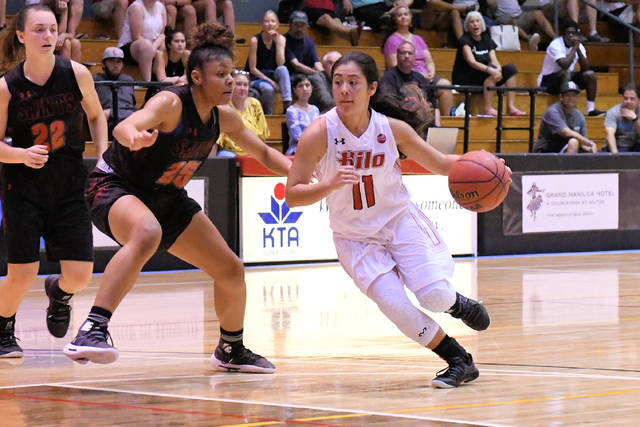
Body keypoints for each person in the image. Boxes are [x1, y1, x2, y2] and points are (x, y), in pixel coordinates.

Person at [62, 22, 291, 372]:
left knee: (230, 269)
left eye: (232, 74)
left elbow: (263, 153)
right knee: (147, 233)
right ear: (197, 77)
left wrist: (302, 172)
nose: (230, 81)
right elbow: (125, 125)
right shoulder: (171, 103)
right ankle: (92, 329)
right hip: (116, 185)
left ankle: (231, 349)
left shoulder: (224, 117)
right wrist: (133, 136)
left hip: (167, 197)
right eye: (221, 75)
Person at [285, 51, 492, 388]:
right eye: (338, 82)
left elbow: (441, 164)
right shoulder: (319, 133)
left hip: (399, 222)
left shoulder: (392, 129)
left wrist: (488, 162)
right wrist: (328, 184)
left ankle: (458, 304)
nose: (344, 90)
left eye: (353, 83)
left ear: (372, 88)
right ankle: (459, 360)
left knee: (434, 297)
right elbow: (293, 195)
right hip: (355, 238)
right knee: (396, 307)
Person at [0, 4, 108, 358]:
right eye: (39, 30)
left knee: (80, 275)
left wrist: (103, 155)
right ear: (21, 36)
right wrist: (20, 154)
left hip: (69, 185)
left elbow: (97, 116)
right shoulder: (7, 87)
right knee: (22, 273)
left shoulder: (76, 74)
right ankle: (3, 328)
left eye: (52, 29)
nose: (48, 36)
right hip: (23, 188)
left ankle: (59, 294)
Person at [383, 6, 453, 117]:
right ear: (395, 20)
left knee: (446, 85)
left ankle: (446, 120)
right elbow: (394, 65)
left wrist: (431, 73)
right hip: (408, 79)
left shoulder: (418, 38)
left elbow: (429, 61)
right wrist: (420, 76)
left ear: (411, 18)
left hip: (426, 78)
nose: (403, 17)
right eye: (400, 15)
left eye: (406, 14)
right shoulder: (392, 40)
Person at [451, 11, 525, 117]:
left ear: (482, 24)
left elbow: (493, 59)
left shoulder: (486, 38)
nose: (475, 24)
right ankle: (488, 108)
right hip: (466, 77)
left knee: (510, 69)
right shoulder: (465, 40)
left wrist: (498, 69)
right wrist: (490, 70)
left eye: (478, 21)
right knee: (490, 73)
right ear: (467, 26)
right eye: (472, 22)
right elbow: (472, 62)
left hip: (484, 74)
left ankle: (510, 107)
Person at [537, 19, 605, 117]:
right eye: (568, 33)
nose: (571, 36)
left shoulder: (578, 46)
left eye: (574, 33)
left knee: (590, 75)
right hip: (548, 81)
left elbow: (586, 67)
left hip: (566, 78)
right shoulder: (555, 45)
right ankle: (564, 110)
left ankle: (590, 110)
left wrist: (578, 49)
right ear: (563, 34)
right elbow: (564, 65)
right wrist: (574, 48)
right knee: (566, 73)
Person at [380, 41, 442, 125]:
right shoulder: (388, 77)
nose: (406, 56)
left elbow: (434, 106)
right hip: (397, 122)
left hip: (420, 122)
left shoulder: (420, 78)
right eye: (403, 53)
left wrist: (437, 127)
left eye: (410, 53)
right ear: (397, 56)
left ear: (414, 57)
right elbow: (388, 106)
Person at [285, 11, 333, 117]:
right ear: (290, 25)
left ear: (306, 26)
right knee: (316, 78)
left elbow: (316, 62)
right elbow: (296, 64)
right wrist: (315, 73)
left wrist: (324, 73)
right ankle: (329, 105)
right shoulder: (285, 40)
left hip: (307, 74)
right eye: (296, 25)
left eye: (302, 25)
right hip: (291, 76)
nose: (299, 28)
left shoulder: (308, 41)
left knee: (323, 77)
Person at [246, 9, 292, 115]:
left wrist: (278, 43)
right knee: (268, 88)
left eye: (273, 21)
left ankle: (287, 106)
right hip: (257, 77)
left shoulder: (281, 39)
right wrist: (271, 82)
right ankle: (268, 115)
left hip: (272, 74)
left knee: (283, 69)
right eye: (266, 21)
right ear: (262, 25)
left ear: (277, 24)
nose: (270, 24)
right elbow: (253, 69)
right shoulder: (255, 40)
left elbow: (280, 63)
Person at [217, 70, 270, 157]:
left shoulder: (255, 104)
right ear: (231, 86)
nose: (242, 88)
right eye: (238, 84)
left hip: (253, 153)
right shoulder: (223, 106)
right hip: (231, 153)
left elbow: (262, 137)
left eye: (245, 85)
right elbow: (218, 142)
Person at [533, 81, 597, 153]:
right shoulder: (553, 112)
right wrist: (589, 143)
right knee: (573, 142)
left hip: (564, 149)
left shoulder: (579, 115)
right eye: (568, 95)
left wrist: (590, 147)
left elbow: (583, 141)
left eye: (574, 96)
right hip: (545, 153)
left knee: (586, 148)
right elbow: (566, 132)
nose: (571, 98)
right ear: (561, 97)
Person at [118, 0, 166, 82]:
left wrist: (154, 47)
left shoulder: (161, 7)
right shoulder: (136, 8)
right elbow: (136, 36)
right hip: (130, 47)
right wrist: (151, 48)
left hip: (152, 46)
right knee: (146, 46)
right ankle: (147, 82)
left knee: (166, 46)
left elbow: (162, 34)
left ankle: (162, 79)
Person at [94, 46, 137, 133]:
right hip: (107, 124)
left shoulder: (128, 80)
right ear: (103, 64)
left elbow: (131, 106)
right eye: (111, 61)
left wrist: (111, 112)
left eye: (119, 61)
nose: (116, 65)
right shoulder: (95, 80)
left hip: (128, 119)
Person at [486, 0, 556, 50]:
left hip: (520, 15)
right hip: (503, 18)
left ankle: (555, 38)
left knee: (538, 13)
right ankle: (529, 39)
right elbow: (492, 5)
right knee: (512, 21)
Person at [144, 27, 190, 102]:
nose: (180, 44)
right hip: (156, 94)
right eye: (176, 41)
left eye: (182, 41)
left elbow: (190, 77)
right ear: (169, 44)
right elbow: (162, 81)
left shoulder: (187, 55)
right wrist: (179, 79)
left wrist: (180, 80)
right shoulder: (161, 55)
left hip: (175, 93)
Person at [285, 74, 319, 155]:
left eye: (307, 85)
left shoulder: (315, 109)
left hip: (316, 150)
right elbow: (298, 136)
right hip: (298, 151)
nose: (305, 89)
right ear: (294, 90)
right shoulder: (291, 111)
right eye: (300, 86)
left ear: (312, 88)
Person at [603, 83, 640, 153]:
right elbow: (610, 134)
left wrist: (635, 119)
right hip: (618, 146)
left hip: (635, 146)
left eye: (632, 99)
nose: (628, 101)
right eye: (626, 98)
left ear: (638, 100)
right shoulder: (613, 112)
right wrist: (616, 156)